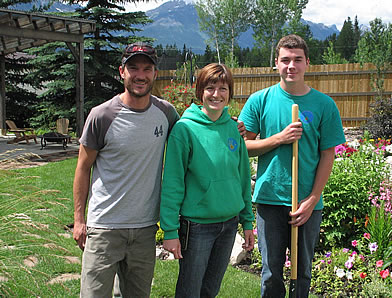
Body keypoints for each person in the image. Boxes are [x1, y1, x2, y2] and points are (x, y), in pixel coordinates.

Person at [239, 34, 346, 297]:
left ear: (307, 63)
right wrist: (279, 139)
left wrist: (312, 199)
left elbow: (328, 155)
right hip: (269, 199)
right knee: (270, 274)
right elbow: (242, 149)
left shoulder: (324, 105)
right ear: (276, 63)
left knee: (303, 273)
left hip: (307, 204)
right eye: (285, 60)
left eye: (297, 60)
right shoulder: (259, 100)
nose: (291, 66)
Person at [72, 42, 180, 297]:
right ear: (122, 72)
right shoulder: (102, 116)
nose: (140, 75)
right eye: (133, 68)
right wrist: (79, 220)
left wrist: (227, 124)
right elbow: (82, 168)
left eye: (146, 68)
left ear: (155, 73)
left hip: (145, 230)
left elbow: (193, 134)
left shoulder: (166, 114)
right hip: (104, 229)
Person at [160, 63, 255, 298]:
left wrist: (247, 221)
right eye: (210, 88)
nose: (216, 94)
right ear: (200, 92)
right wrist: (170, 231)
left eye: (223, 88)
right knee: (190, 291)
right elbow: (172, 183)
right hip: (197, 226)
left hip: (229, 224)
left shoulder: (234, 128)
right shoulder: (185, 130)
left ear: (229, 93)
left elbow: (242, 177)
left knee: (210, 290)